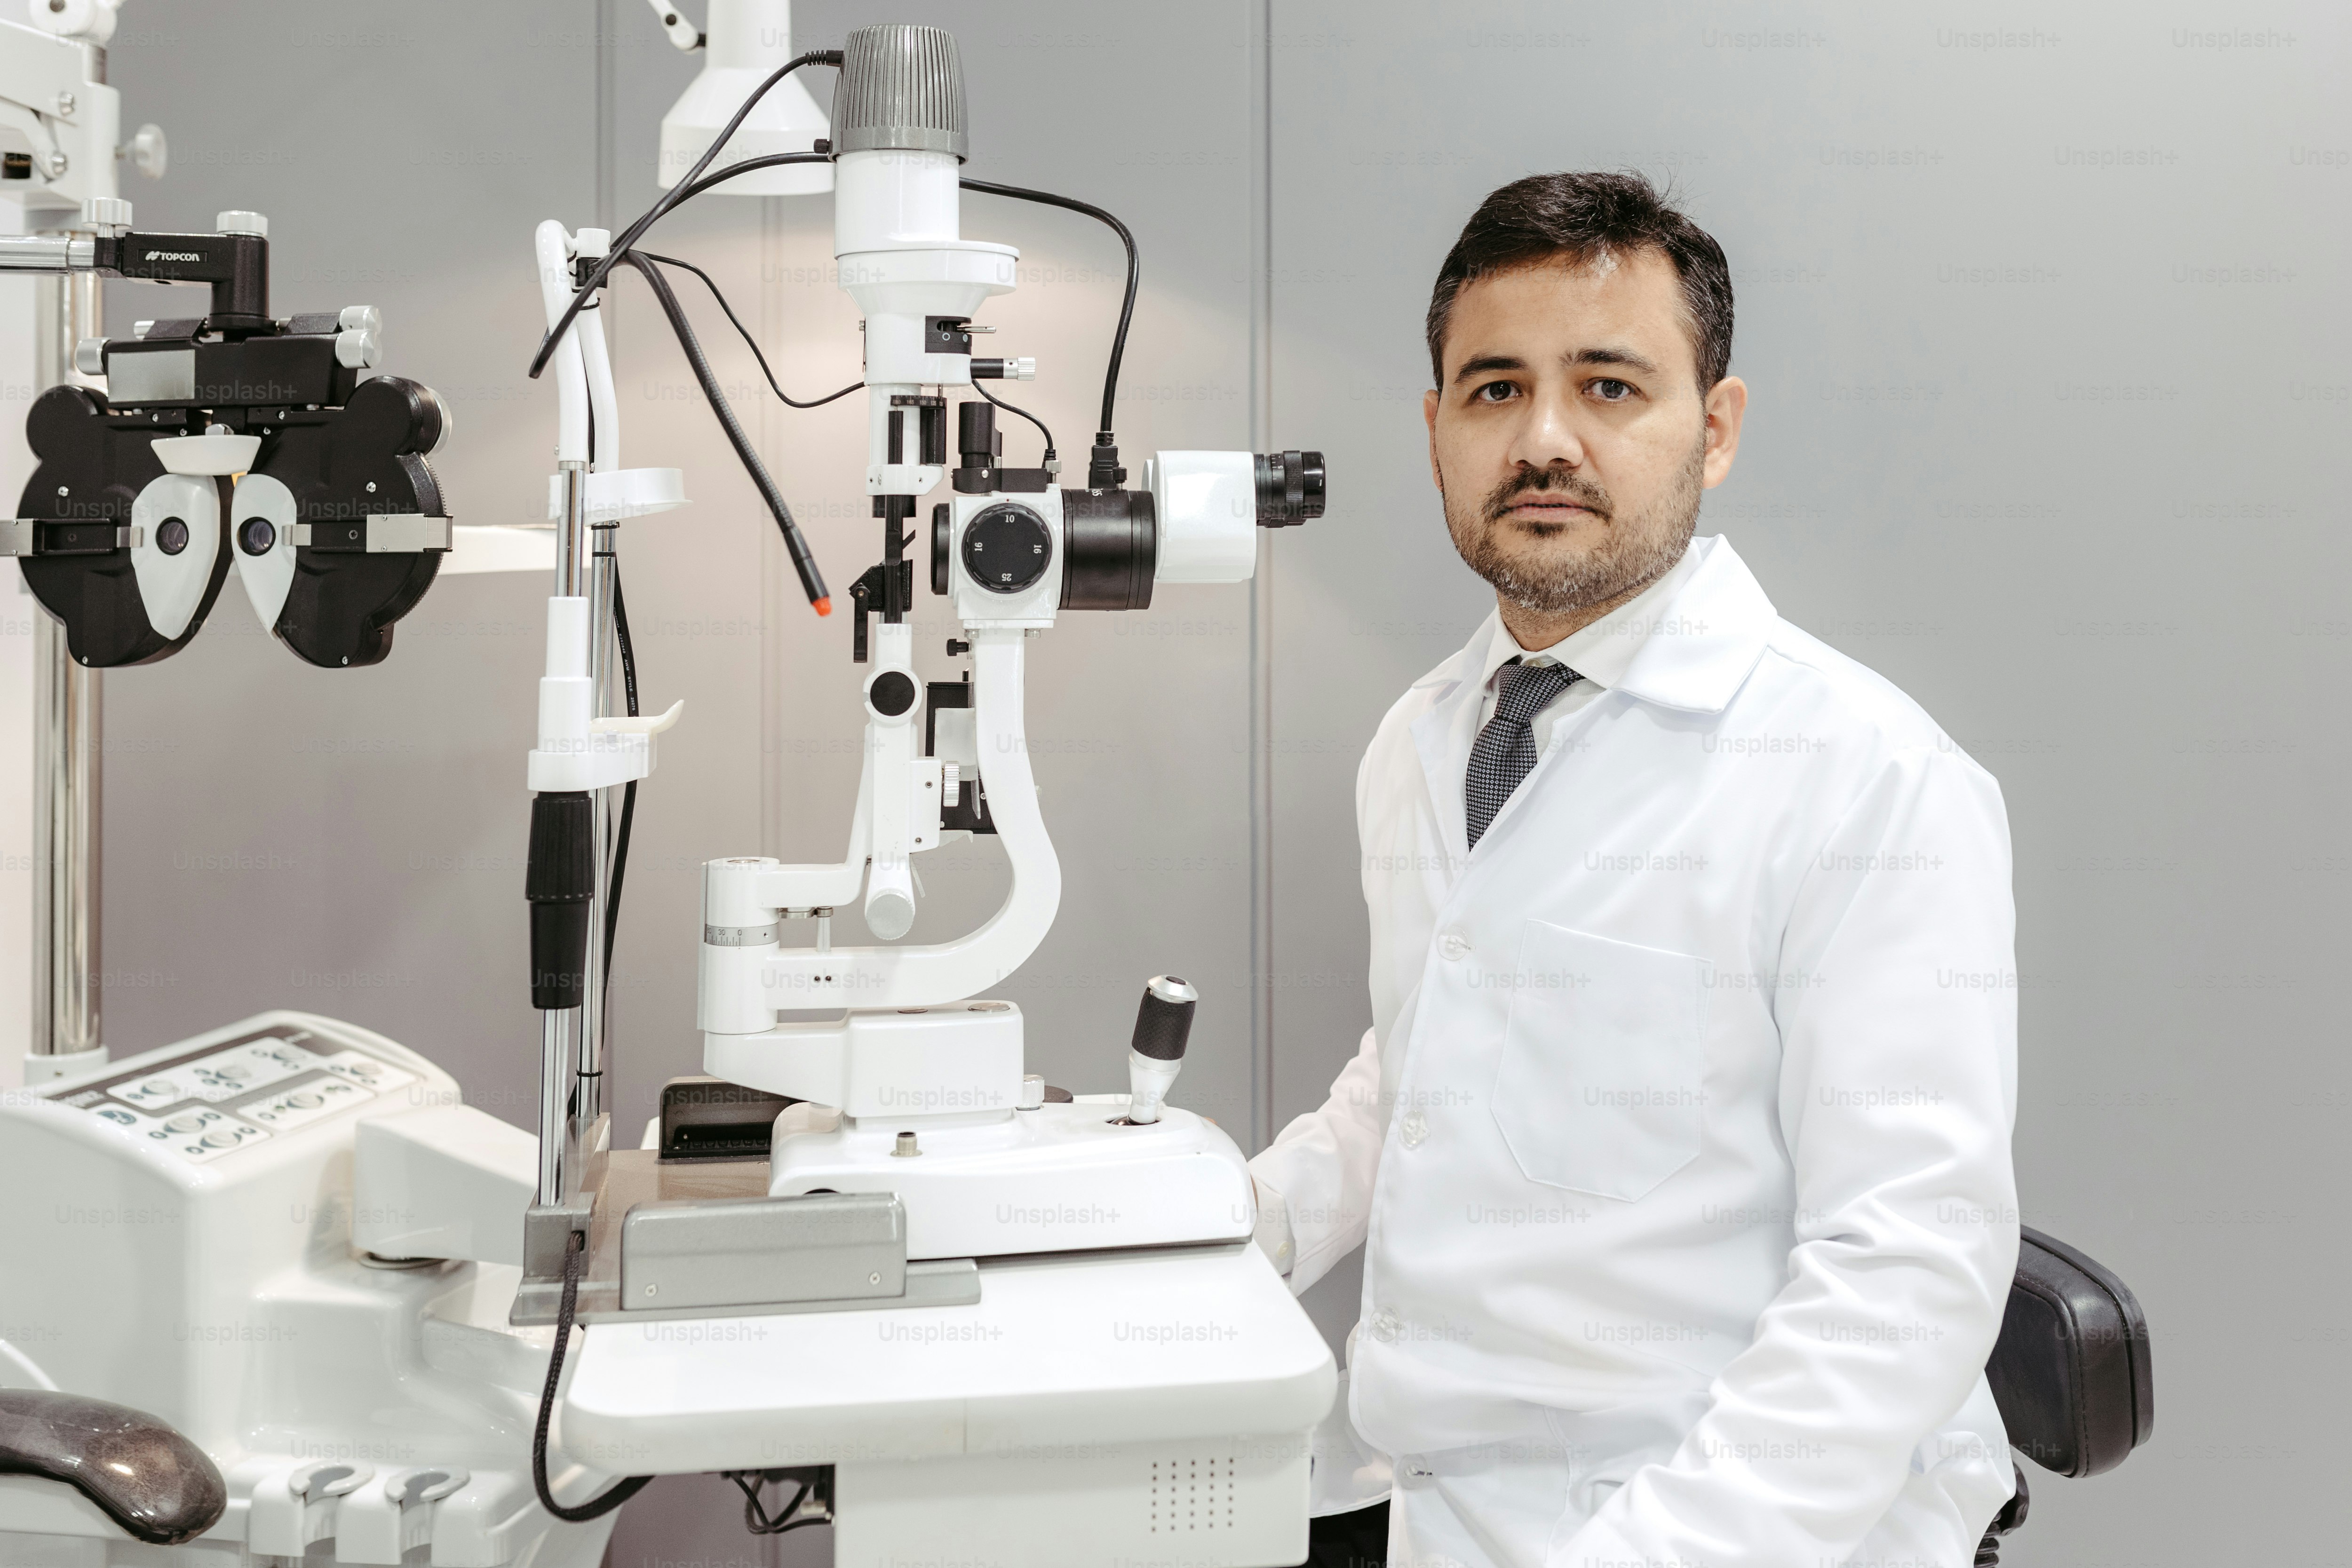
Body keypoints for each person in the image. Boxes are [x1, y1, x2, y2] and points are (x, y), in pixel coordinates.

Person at [1252, 171, 2020, 1568]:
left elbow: (1906, 1268)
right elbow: (1422, 1063)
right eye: (1494, 391)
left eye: (1609, 387)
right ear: (1434, 433)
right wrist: (1244, 1225)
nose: (1544, 439)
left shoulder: (1865, 778)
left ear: (1714, 430)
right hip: (1427, 1495)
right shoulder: (1426, 737)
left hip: (1709, 1520)